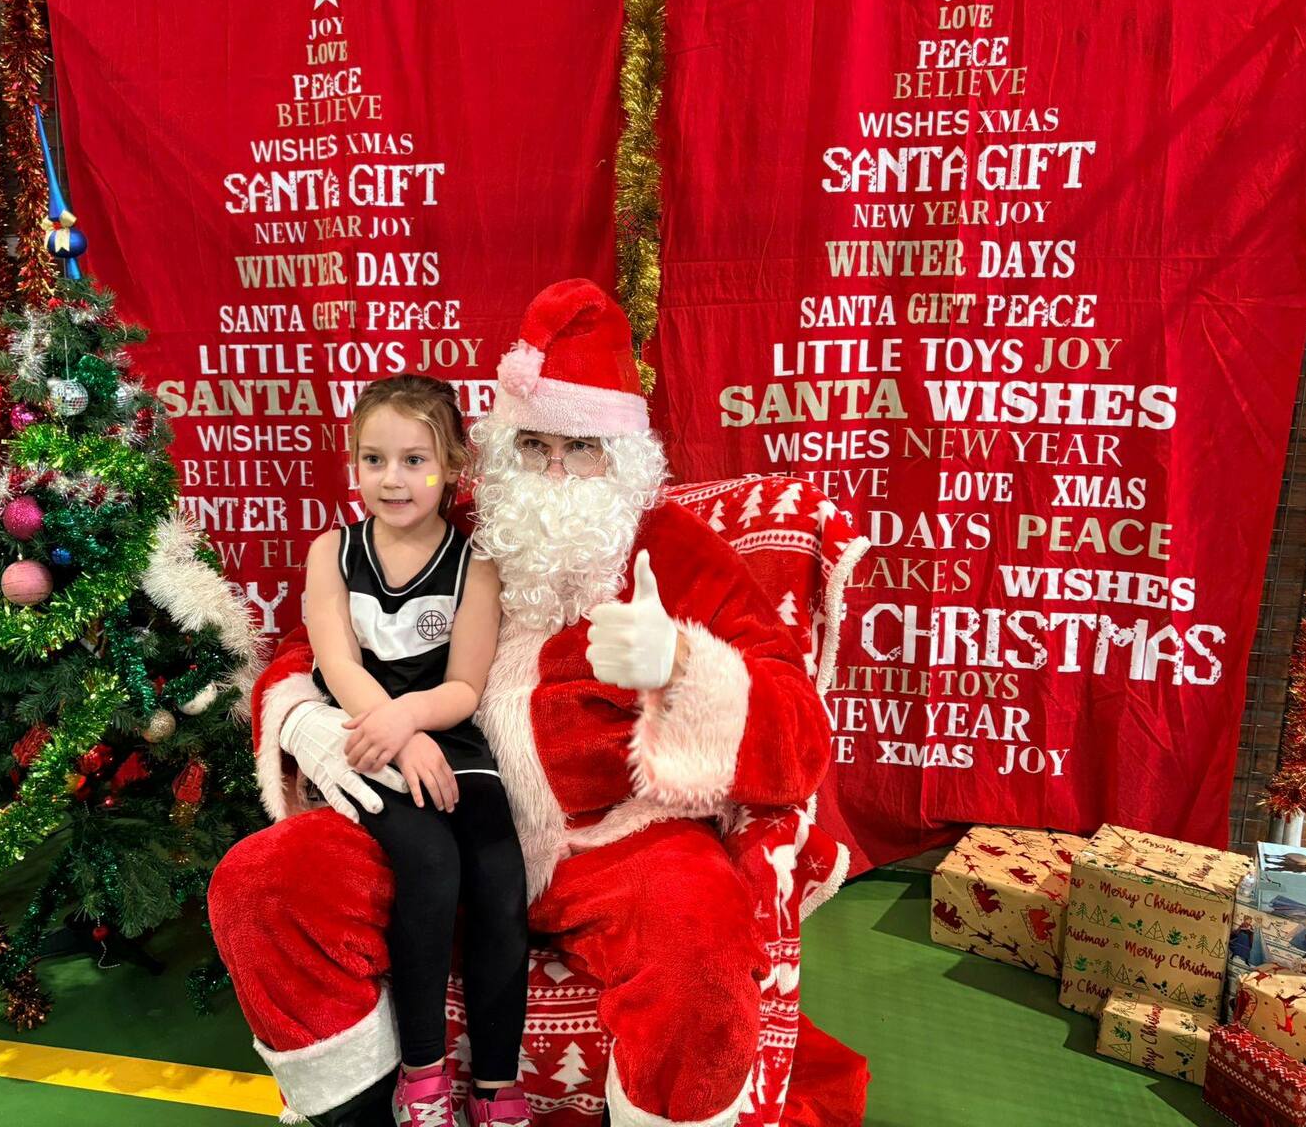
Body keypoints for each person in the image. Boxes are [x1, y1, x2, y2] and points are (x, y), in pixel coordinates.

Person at [210, 280, 840, 1127]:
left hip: (612, 839)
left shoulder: (674, 551)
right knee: (262, 884)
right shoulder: (459, 521)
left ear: (623, 456)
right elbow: (311, 643)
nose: (551, 471)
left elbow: (799, 736)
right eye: (533, 444)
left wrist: (684, 666)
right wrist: (308, 719)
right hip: (434, 806)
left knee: (696, 934)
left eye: (580, 448)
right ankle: (356, 1111)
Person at [291, 375, 530, 1127]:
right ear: (354, 463)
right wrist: (396, 732)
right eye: (374, 459)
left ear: (453, 465)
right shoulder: (331, 552)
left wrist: (418, 724)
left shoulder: (474, 563)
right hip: (366, 739)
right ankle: (422, 1077)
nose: (392, 479)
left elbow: (464, 685)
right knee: (429, 863)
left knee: (499, 875)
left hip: (448, 736)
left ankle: (496, 1086)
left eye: (414, 460)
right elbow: (337, 665)